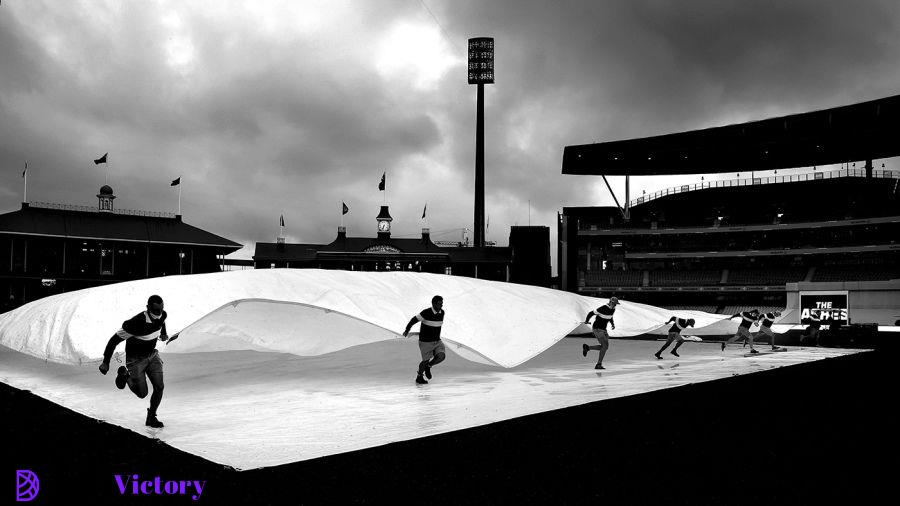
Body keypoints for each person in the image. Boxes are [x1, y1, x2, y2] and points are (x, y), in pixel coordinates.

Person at [98, 295, 175, 428]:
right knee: (142, 394)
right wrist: (106, 362)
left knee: (159, 387)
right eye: (156, 311)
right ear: (148, 308)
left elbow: (161, 321)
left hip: (152, 356)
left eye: (161, 309)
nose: (159, 314)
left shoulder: (162, 315)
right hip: (135, 360)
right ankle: (125, 375)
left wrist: (163, 333)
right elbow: (113, 341)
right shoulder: (136, 324)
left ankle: (151, 417)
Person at [403, 295, 446, 385]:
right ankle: (419, 377)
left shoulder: (442, 313)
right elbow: (413, 320)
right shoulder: (426, 312)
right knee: (425, 361)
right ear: (433, 303)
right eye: (439, 304)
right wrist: (407, 330)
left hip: (437, 341)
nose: (441, 306)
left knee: (441, 356)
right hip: (425, 342)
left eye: (442, 304)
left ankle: (428, 366)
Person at [582, 297, 618, 370]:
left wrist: (612, 324)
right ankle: (598, 364)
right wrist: (587, 320)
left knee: (605, 347)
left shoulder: (613, 309)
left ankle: (588, 348)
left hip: (603, 330)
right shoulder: (603, 308)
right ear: (610, 302)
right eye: (614, 304)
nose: (615, 305)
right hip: (597, 329)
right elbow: (591, 313)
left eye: (616, 304)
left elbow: (610, 317)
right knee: (605, 346)